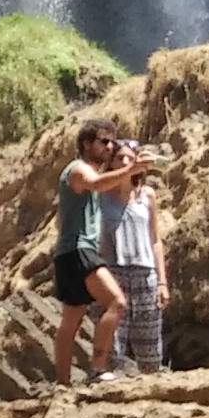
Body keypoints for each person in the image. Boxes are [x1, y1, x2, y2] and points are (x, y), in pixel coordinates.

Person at [50, 121, 141, 387]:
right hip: (78, 250)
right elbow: (99, 184)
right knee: (117, 302)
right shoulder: (78, 170)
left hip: (69, 252)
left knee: (71, 319)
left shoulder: (80, 173)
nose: (109, 147)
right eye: (103, 141)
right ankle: (98, 368)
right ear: (86, 144)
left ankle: (62, 384)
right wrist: (131, 169)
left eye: (112, 142)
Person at [105, 136, 169, 375]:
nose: (123, 162)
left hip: (146, 274)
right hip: (114, 273)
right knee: (114, 347)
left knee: (150, 349)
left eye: (129, 159)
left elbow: (155, 240)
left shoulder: (147, 196)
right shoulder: (101, 196)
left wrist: (162, 281)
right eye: (119, 158)